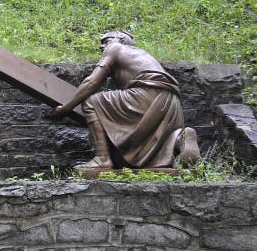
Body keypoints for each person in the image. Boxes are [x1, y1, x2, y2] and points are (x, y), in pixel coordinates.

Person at [52, 30, 200, 171]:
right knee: (156, 135)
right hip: (171, 102)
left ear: (122, 40)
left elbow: (91, 82)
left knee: (92, 101)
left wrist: (68, 107)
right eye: (102, 44)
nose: (102, 46)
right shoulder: (142, 54)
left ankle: (102, 158)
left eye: (106, 41)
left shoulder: (115, 48)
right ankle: (179, 139)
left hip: (146, 95)